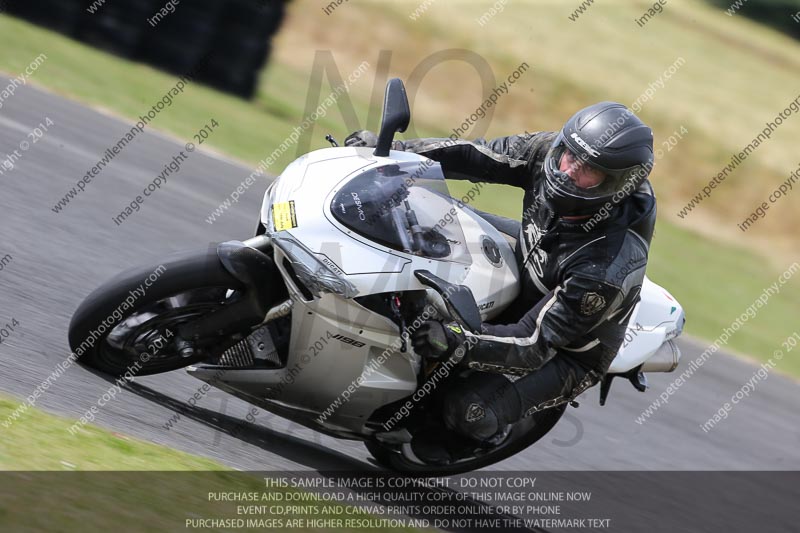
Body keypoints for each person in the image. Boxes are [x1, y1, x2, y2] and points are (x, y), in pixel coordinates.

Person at [345, 101, 656, 465]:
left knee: (466, 409)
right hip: (534, 257)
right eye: (569, 156)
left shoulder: (606, 265)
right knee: (427, 218)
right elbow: (477, 155)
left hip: (566, 350)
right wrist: (391, 154)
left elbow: (532, 343)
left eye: (588, 170)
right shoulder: (552, 153)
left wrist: (454, 340)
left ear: (617, 186)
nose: (568, 171)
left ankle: (486, 435)